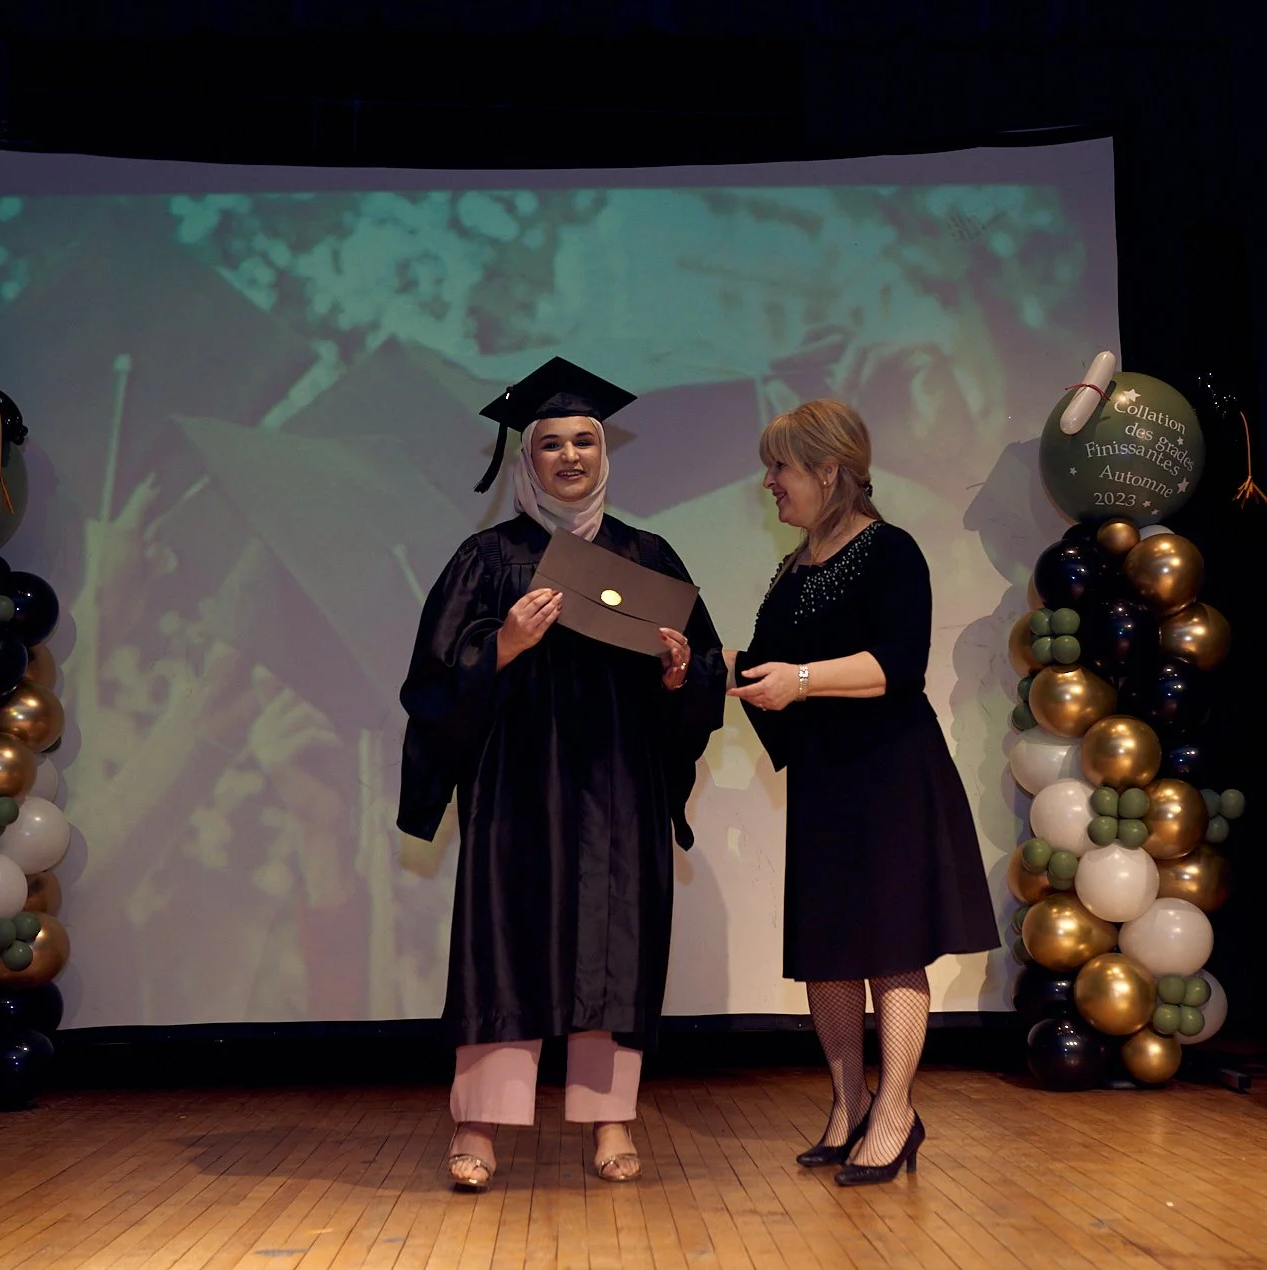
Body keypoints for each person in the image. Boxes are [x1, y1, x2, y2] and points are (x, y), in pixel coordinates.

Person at [398, 358, 726, 1190]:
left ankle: (610, 1120)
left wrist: (683, 671)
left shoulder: (647, 557)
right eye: (552, 444)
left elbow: (709, 669)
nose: (571, 456)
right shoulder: (488, 559)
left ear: (604, 453)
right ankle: (478, 1125)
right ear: (527, 459)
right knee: (505, 940)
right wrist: (502, 643)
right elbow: (432, 681)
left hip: (617, 789)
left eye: (585, 440)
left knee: (611, 945)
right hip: (517, 787)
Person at [729, 399, 1000, 1185]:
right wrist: (701, 664)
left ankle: (896, 1112)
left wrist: (802, 680)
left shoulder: (891, 551)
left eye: (780, 466)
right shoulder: (795, 567)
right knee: (829, 949)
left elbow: (897, 665)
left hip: (887, 774)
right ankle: (849, 1104)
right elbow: (767, 667)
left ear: (829, 471)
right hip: (825, 778)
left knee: (889, 947)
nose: (769, 483)